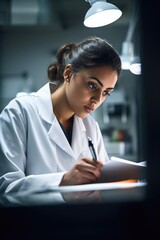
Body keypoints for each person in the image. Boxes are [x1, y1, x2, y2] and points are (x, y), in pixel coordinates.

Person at [0, 36, 121, 197]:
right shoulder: (19, 112)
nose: (98, 99)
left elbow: (102, 188)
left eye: (106, 92)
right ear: (68, 73)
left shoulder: (91, 127)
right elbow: (6, 190)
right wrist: (63, 182)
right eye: (92, 85)